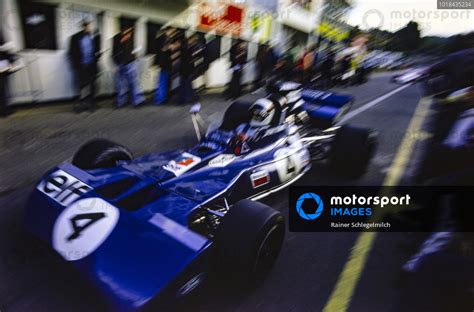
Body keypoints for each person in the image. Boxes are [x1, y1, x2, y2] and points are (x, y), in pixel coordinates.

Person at [68, 20, 101, 112]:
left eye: (88, 26)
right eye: (85, 26)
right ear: (82, 27)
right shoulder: (75, 37)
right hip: (81, 65)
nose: (87, 28)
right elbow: (71, 53)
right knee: (81, 86)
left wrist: (98, 56)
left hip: (92, 65)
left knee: (92, 85)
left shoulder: (92, 37)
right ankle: (80, 105)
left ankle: (91, 104)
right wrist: (75, 66)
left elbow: (96, 50)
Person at [112, 25, 145, 108]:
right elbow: (114, 52)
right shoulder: (116, 38)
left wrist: (135, 58)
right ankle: (120, 102)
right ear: (123, 30)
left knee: (134, 83)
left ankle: (137, 101)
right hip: (120, 63)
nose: (129, 33)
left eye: (130, 31)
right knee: (121, 84)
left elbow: (133, 49)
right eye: (128, 31)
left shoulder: (131, 37)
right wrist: (116, 64)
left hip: (131, 62)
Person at [154, 27, 174, 105]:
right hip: (164, 63)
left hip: (166, 63)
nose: (173, 32)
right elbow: (163, 49)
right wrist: (170, 46)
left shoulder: (167, 38)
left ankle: (163, 98)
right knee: (162, 81)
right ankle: (160, 99)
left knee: (164, 81)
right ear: (167, 31)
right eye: (172, 30)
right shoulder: (163, 38)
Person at [0, 34, 16, 117]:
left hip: (2, 65)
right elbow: (7, 49)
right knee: (3, 88)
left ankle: (4, 110)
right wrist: (11, 60)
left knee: (2, 89)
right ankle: (4, 110)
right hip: (2, 65)